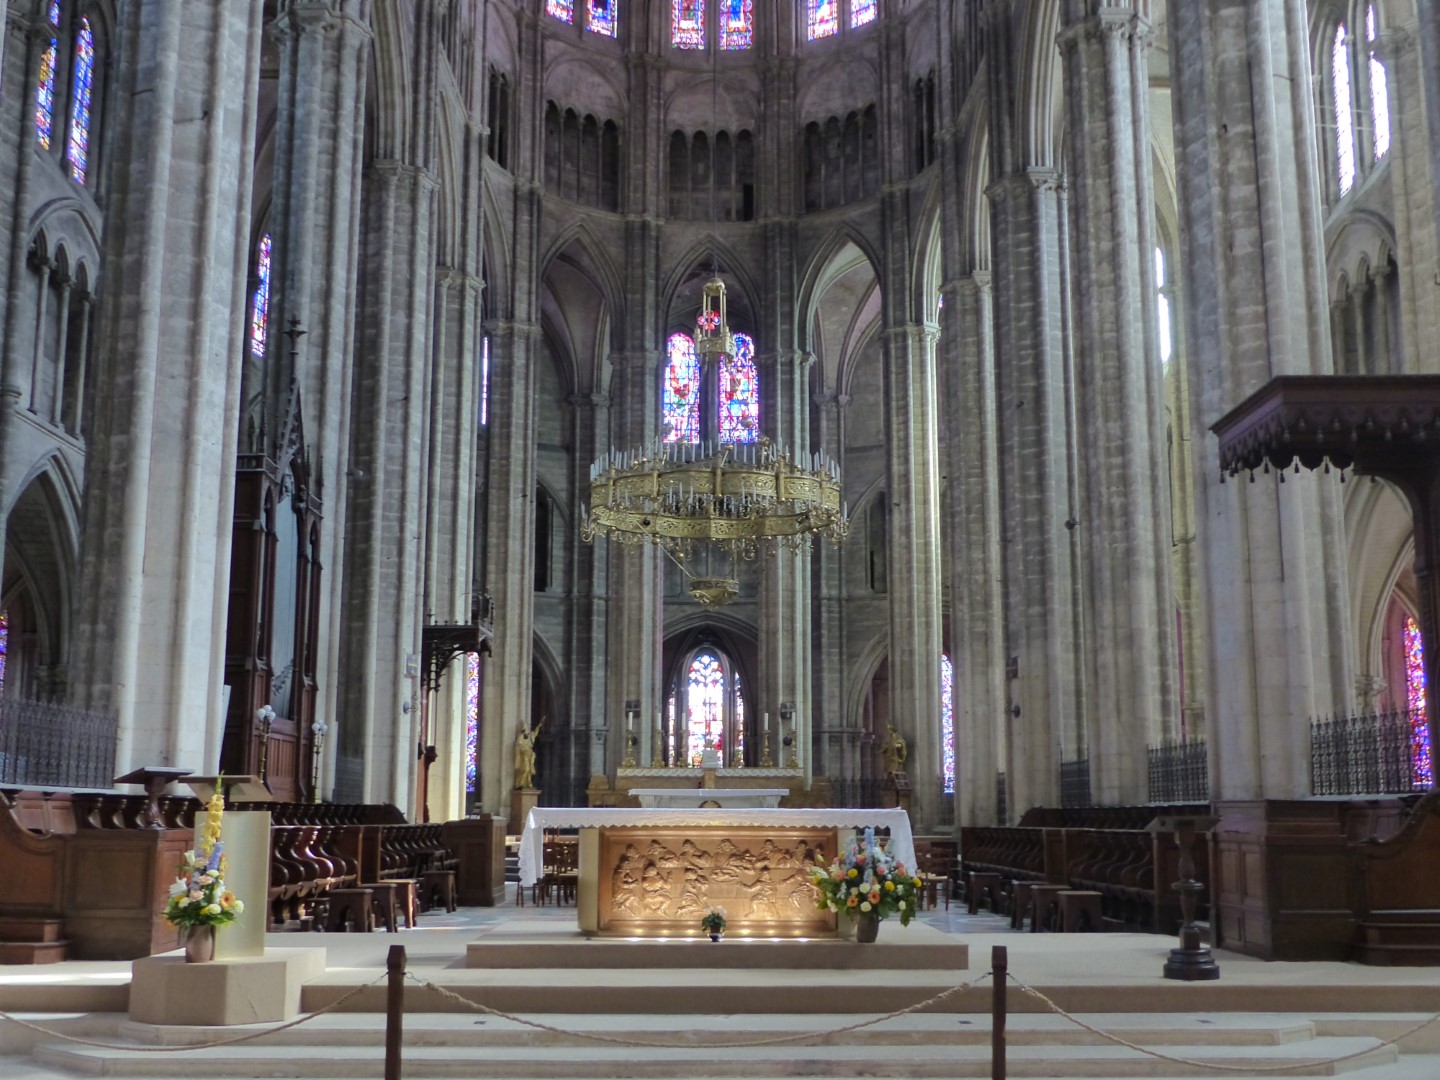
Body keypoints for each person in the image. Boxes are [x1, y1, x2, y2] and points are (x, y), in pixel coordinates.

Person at [514, 717, 543, 789]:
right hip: (524, 757)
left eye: (527, 731)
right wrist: (524, 749)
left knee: (529, 771)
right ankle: (520, 783)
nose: (526, 732)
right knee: (525, 769)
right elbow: (519, 746)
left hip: (529, 756)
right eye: (524, 731)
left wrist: (539, 725)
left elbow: (535, 732)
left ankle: (528, 783)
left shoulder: (530, 737)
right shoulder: (520, 738)